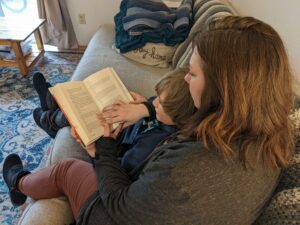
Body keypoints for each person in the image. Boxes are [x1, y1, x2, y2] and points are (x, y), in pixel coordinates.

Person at [3, 16, 296, 225]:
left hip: (112, 215)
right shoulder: (269, 133)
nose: (185, 79)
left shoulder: (191, 166)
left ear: (223, 90)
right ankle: (52, 115)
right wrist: (147, 109)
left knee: (67, 169)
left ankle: (18, 182)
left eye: (192, 74)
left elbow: (118, 206)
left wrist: (103, 147)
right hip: (149, 206)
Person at [3, 68, 195, 215]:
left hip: (111, 167)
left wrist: (96, 152)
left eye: (159, 103)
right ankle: (52, 110)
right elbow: (154, 105)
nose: (154, 103)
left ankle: (17, 182)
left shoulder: (153, 147)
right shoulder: (171, 117)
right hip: (123, 138)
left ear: (178, 115)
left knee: (87, 128)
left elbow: (118, 171)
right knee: (98, 108)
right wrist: (145, 108)